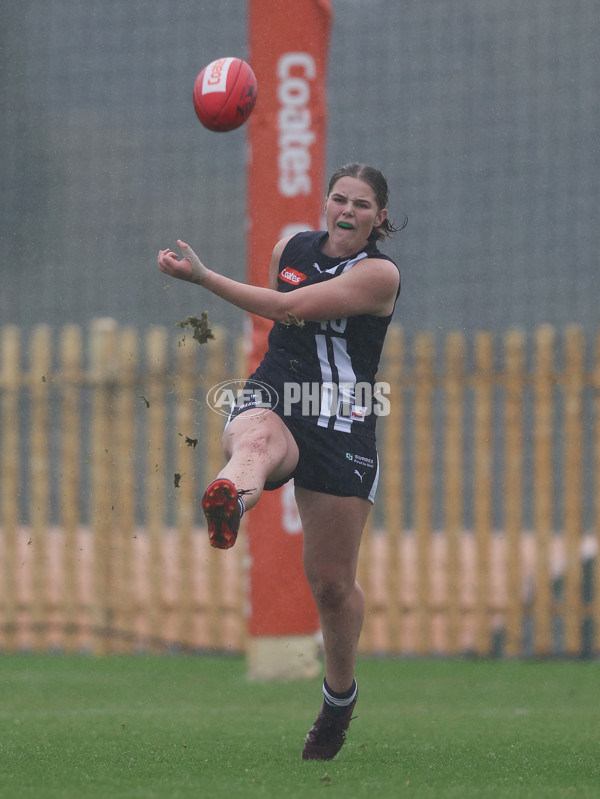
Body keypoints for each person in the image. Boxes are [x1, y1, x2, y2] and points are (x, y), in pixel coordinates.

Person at [157, 163, 405, 760]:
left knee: (331, 583)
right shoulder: (289, 247)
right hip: (277, 392)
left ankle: (338, 700)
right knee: (254, 444)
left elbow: (286, 308)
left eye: (362, 205)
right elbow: (280, 331)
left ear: (380, 218)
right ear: (325, 203)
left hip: (342, 418)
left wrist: (204, 277)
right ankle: (229, 499)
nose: (348, 211)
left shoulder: (379, 274)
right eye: (340, 199)